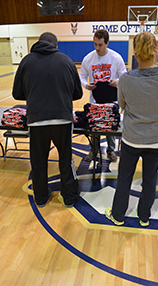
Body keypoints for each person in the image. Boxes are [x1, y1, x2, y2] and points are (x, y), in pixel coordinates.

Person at [105, 31, 158, 227]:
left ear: (135, 54)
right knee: (149, 179)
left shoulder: (126, 79)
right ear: (156, 51)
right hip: (156, 140)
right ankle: (144, 216)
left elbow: (122, 104)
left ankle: (118, 216)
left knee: (124, 178)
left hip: (132, 138)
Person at [12, 32, 83, 208]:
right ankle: (69, 197)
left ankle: (41, 197)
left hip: (37, 121)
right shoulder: (67, 61)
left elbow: (16, 93)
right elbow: (78, 93)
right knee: (66, 160)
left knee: (38, 160)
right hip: (63, 121)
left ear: (38, 43)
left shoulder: (26, 61)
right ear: (55, 45)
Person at [79, 29, 126, 162]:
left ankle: (111, 151)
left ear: (107, 43)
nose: (97, 48)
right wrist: (86, 85)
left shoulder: (116, 57)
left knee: (110, 126)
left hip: (111, 98)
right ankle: (93, 151)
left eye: (100, 44)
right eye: (95, 44)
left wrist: (118, 81)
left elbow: (124, 73)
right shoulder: (88, 58)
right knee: (94, 126)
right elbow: (82, 76)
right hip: (95, 99)